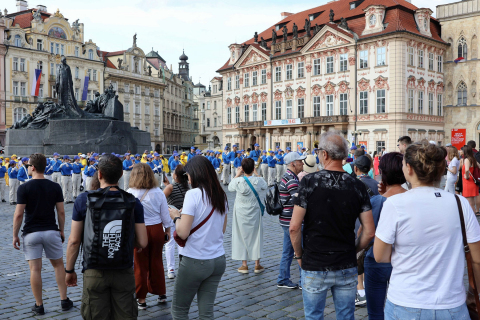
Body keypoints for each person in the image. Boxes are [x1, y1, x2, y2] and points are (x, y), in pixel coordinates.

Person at [374, 143, 480, 319]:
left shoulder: (394, 204)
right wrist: (473, 292)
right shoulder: (460, 203)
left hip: (406, 301)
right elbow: (477, 258)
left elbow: (380, 256)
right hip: (452, 303)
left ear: (408, 168)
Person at [290, 131, 375, 319]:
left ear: (325, 154)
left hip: (314, 261)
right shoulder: (357, 185)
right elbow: (369, 232)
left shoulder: (309, 182)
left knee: (314, 316)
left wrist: (299, 255)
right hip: (345, 262)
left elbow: (294, 227)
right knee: (346, 316)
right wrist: (353, 250)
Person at [65, 154, 148, 320]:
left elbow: (74, 241)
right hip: (123, 268)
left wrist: (69, 270)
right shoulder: (133, 202)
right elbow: (143, 242)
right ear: (120, 175)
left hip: (94, 269)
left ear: (100, 174)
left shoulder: (83, 200)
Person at [12, 153, 73, 315]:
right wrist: (61, 230)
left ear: (32, 167)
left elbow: (18, 214)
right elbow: (61, 212)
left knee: (35, 270)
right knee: (58, 265)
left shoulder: (24, 187)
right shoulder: (54, 186)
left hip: (31, 233)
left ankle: (39, 305)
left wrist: (15, 235)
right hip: (51, 231)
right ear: (45, 166)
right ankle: (64, 300)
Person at [168, 156, 228, 320]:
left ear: (195, 174)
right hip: (217, 259)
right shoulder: (221, 195)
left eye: (188, 176)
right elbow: (222, 229)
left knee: (179, 310)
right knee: (206, 313)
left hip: (195, 259)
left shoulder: (193, 194)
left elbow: (182, 233)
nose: (187, 179)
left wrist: (175, 217)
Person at [362, 152, 406, 319]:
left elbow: (366, 233)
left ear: (382, 172)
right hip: (402, 260)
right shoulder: (410, 199)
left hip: (375, 260)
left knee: (375, 312)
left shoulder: (376, 202)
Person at [127, 163, 173, 309]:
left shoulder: (130, 192)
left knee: (140, 265)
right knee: (157, 261)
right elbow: (165, 214)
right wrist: (167, 230)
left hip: (139, 230)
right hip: (156, 229)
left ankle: (141, 299)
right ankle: (161, 293)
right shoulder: (158, 192)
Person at [229, 158, 267, 274]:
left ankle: (244, 265)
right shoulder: (258, 180)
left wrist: (237, 174)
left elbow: (230, 187)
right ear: (253, 168)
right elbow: (265, 185)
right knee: (256, 235)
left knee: (240, 235)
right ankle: (257, 264)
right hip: (254, 211)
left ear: (243, 169)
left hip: (240, 211)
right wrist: (256, 173)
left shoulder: (238, 181)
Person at [277, 151, 305, 289]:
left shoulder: (287, 176)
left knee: (287, 251)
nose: (302, 163)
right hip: (292, 220)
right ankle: (302, 281)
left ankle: (283, 278)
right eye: (300, 161)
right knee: (300, 250)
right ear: (293, 164)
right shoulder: (292, 180)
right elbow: (298, 200)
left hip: (286, 219)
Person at [163, 164, 190, 279]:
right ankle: (183, 268)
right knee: (181, 242)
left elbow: (161, 199)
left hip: (171, 215)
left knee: (169, 243)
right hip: (182, 216)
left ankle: (171, 269)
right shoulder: (187, 187)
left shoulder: (170, 187)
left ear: (175, 176)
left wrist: (167, 185)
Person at [462, 145, 479, 213]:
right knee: (471, 203)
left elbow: (466, 170)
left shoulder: (467, 159)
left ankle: (472, 219)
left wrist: (467, 176)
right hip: (473, 182)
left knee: (469, 203)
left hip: (468, 182)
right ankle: (473, 217)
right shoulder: (473, 159)